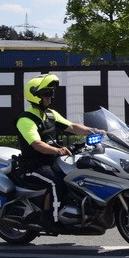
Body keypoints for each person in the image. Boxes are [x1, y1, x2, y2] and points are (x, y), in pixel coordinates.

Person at [16, 74, 100, 223]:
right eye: (46, 94)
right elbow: (37, 144)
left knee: (76, 175)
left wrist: (94, 130)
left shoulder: (50, 114)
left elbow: (72, 127)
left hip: (52, 161)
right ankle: (51, 220)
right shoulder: (26, 119)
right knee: (55, 182)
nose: (50, 97)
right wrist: (57, 150)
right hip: (34, 166)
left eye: (51, 93)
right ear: (35, 95)